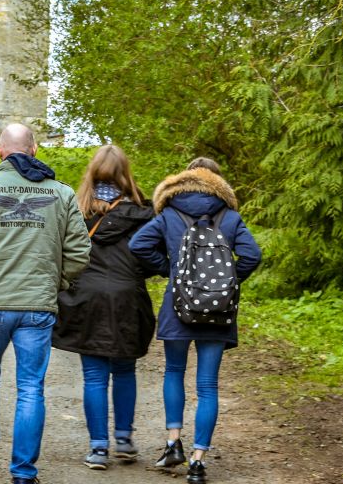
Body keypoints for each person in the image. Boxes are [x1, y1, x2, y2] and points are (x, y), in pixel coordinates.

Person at [0, 123, 91, 484]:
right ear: (35, 150)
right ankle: (24, 471)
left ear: (0, 151)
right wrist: (55, 282)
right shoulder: (61, 194)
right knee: (30, 387)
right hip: (37, 306)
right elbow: (79, 252)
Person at [129, 157, 261, 484]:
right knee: (207, 385)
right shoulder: (229, 217)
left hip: (179, 305)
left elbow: (138, 244)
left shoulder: (170, 213)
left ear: (185, 178)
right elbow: (253, 255)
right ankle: (198, 461)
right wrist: (229, 283)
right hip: (218, 310)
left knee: (174, 371)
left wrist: (170, 270)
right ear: (218, 183)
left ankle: (173, 443)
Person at [52, 145, 158, 470]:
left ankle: (98, 447)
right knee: (125, 370)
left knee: (94, 377)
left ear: (92, 173)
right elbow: (152, 257)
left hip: (88, 298)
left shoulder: (76, 211)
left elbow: (63, 255)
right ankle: (124, 439)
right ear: (126, 173)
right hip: (128, 297)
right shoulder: (145, 213)